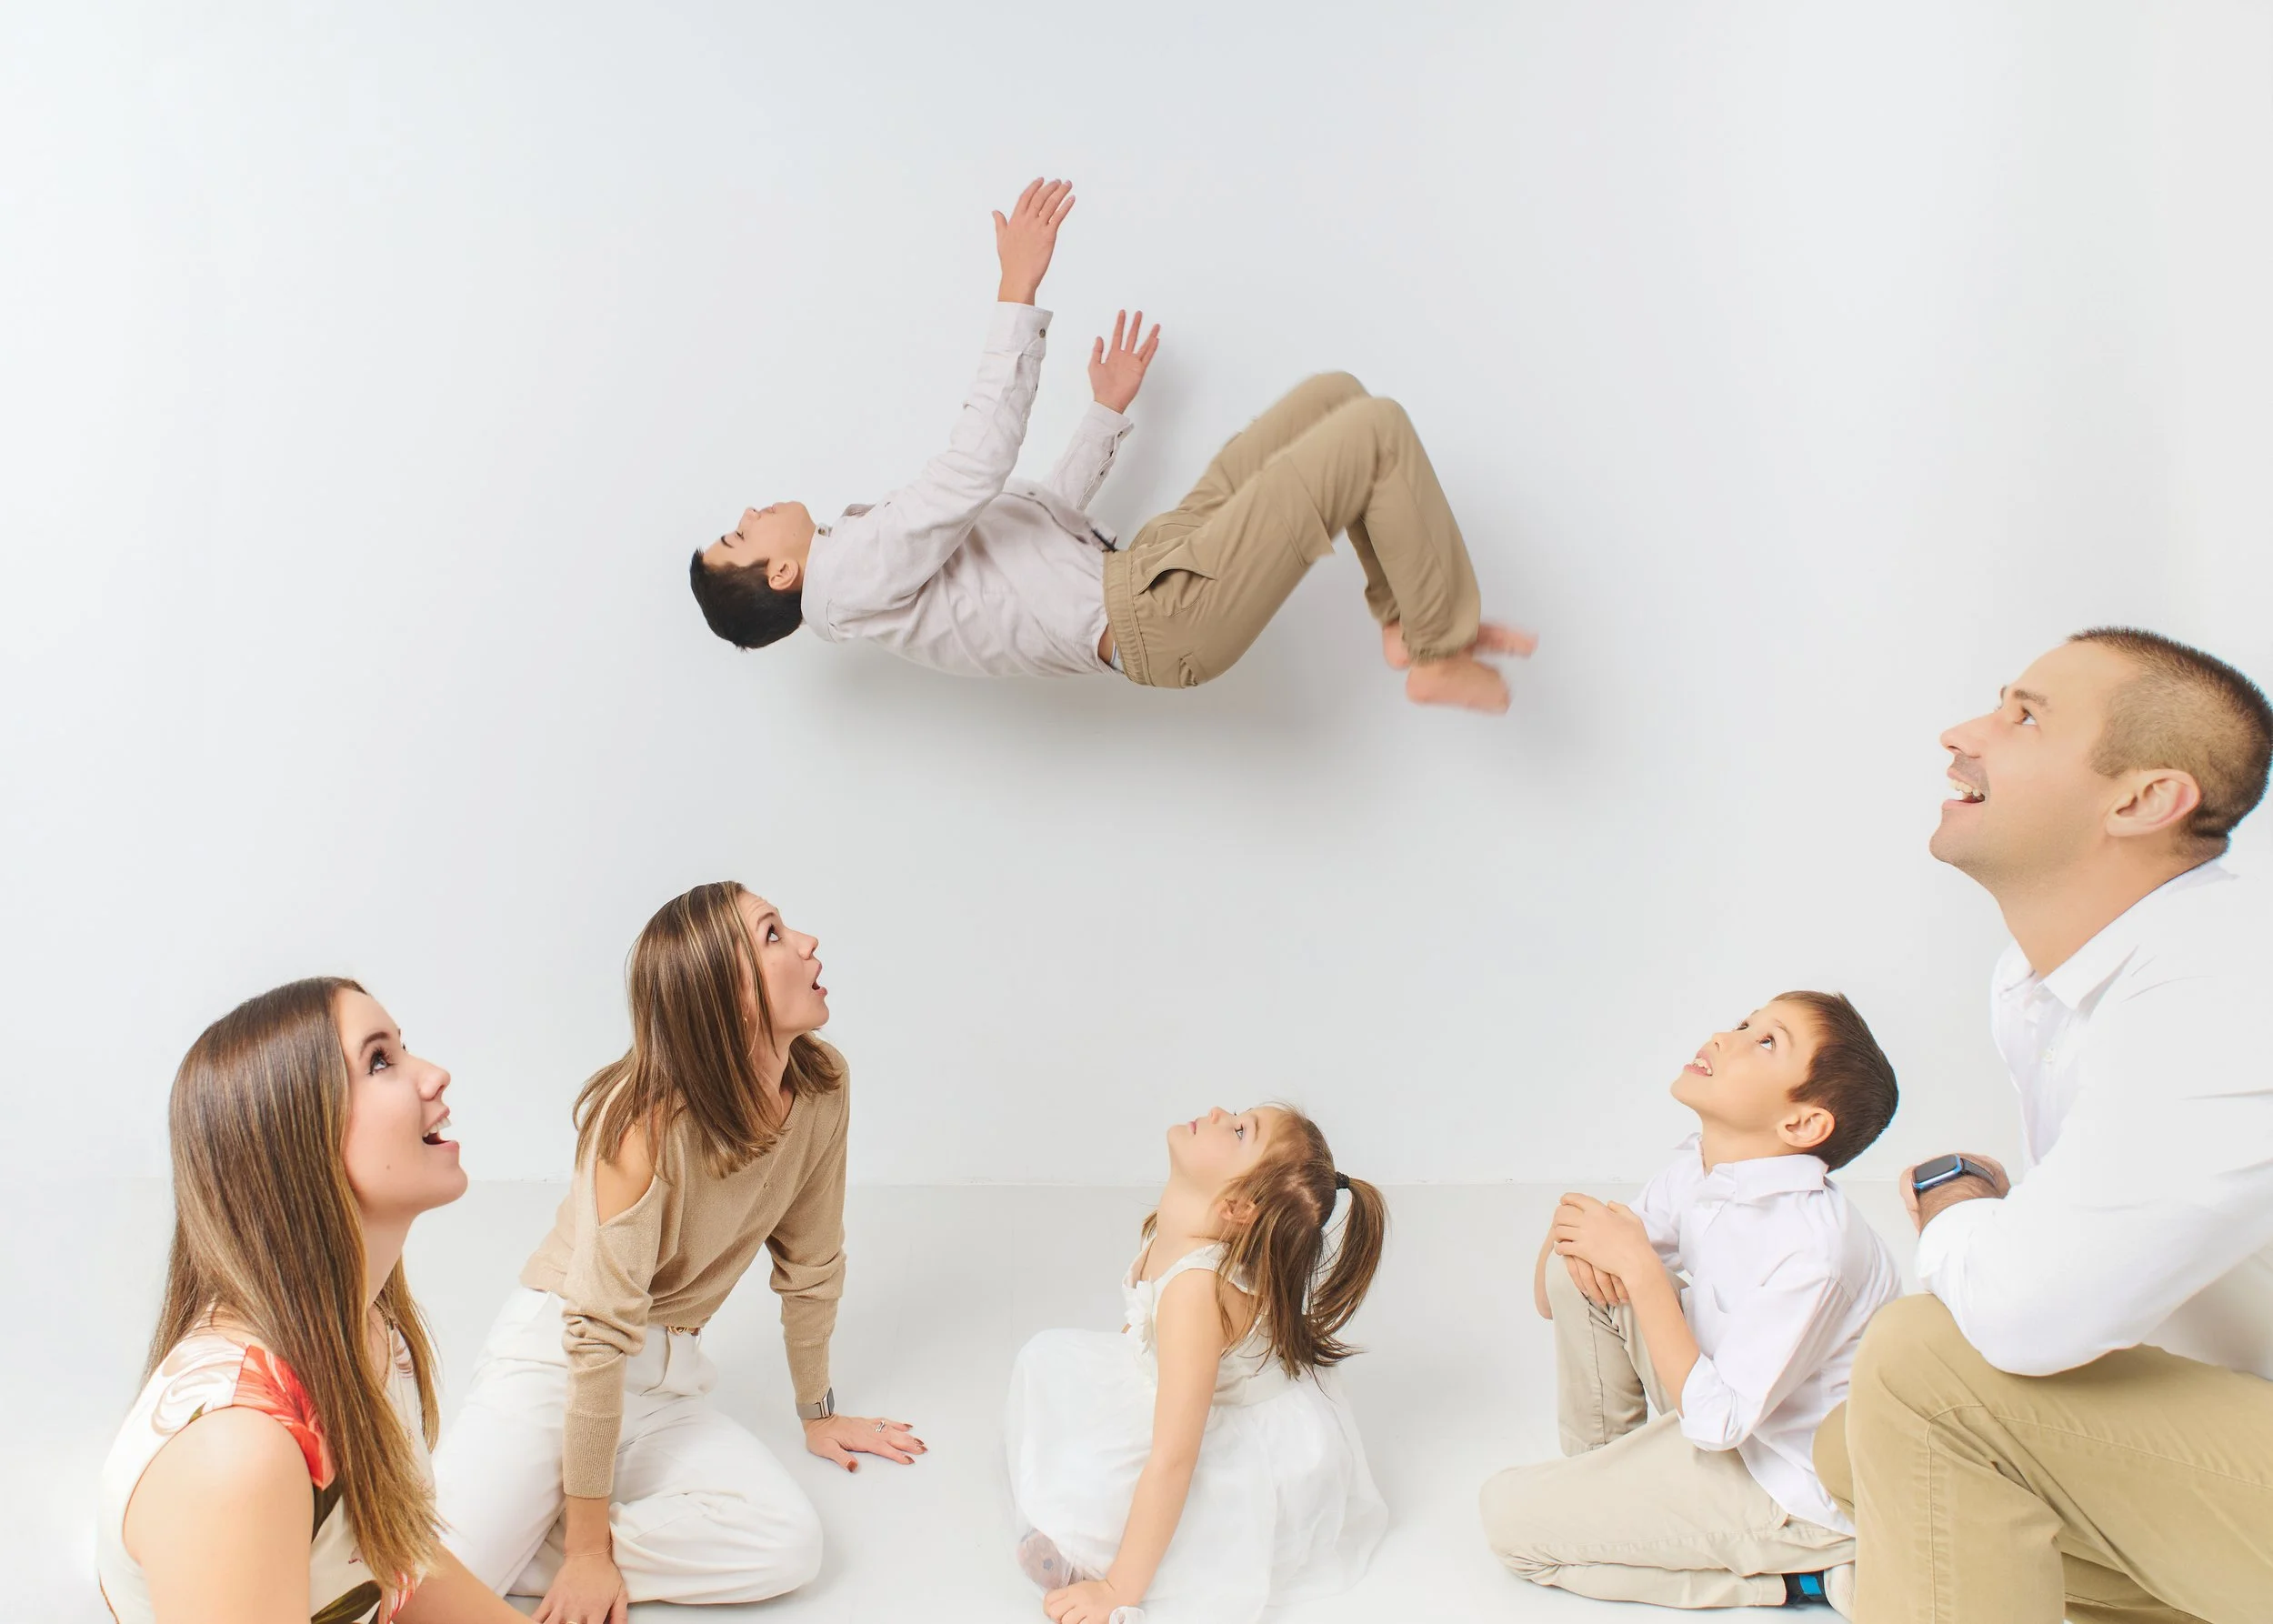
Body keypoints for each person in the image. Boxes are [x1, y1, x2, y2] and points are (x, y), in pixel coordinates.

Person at [1813, 627, 2273, 1623]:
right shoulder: (2048, 983)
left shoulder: (2222, 986)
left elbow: (2029, 1318)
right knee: (1853, 1449)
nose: (1960, 733)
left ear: (2143, 797)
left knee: (1922, 1367)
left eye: (2022, 715)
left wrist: (1957, 1209)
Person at [687, 176, 1535, 712]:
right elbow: (974, 465)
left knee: (1335, 400)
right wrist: (1016, 287)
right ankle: (1436, 648)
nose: (752, 514)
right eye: (740, 534)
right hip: (1162, 617)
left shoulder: (858, 562)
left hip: (1147, 570)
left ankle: (1405, 620)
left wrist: (1104, 414)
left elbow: (1034, 526)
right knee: (1374, 432)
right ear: (780, 574)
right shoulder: (850, 575)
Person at [433, 883, 922, 1621]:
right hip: (562, 1360)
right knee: (412, 1592)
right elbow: (595, 1340)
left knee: (788, 1545)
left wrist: (817, 1412)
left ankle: (547, 1525)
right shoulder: (640, 1125)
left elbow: (813, 1263)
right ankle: (526, 1530)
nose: (808, 942)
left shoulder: (822, 1087)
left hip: (667, 1381)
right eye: (773, 935)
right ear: (728, 996)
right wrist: (594, 1554)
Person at [96, 977, 524, 1624]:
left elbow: (398, 1565)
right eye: (380, 1061)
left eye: (402, 1050)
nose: (435, 1076)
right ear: (295, 1137)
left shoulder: (375, 1335)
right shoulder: (240, 1453)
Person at [1479, 992, 1902, 1612]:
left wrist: (1645, 1273)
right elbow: (1556, 1295)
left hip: (1785, 1485)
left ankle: (1805, 1577)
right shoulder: (1706, 1169)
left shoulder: (1816, 1250)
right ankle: (1604, 1488)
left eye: (1766, 1042)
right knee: (1588, 1268)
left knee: (1506, 1521)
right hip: (1718, 1413)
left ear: (1803, 1124)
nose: (1723, 1036)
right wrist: (1568, 1232)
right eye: (1743, 1024)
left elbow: (1718, 1426)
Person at [1004, 1104, 1388, 1624]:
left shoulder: (1195, 1291)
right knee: (1044, 1359)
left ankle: (1101, 1557)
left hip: (1218, 1434)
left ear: (1238, 1207)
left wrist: (1118, 1587)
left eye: (1238, 1131)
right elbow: (1141, 1331)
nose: (1216, 1112)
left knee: (1087, 1489)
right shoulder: (1182, 1222)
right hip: (1177, 1390)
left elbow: (1175, 1458)